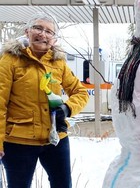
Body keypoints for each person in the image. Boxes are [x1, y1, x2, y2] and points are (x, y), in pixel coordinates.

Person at [0, 12, 89, 188]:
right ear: (27, 32)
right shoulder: (10, 60)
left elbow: (80, 92)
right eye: (38, 28)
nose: (43, 34)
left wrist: (67, 109)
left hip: (55, 139)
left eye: (49, 31)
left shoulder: (58, 62)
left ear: (54, 39)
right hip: (19, 140)